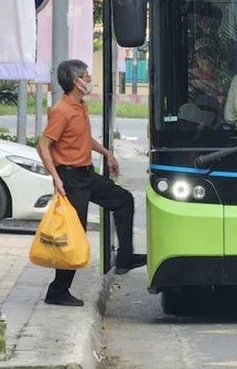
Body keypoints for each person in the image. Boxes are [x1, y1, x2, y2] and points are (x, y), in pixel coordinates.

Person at [37, 59, 146, 307]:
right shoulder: (61, 111)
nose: (89, 79)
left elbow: (84, 139)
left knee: (123, 200)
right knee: (74, 233)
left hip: (86, 174)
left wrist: (107, 153)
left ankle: (125, 258)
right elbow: (43, 145)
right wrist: (55, 178)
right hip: (70, 178)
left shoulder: (80, 106)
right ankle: (57, 291)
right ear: (76, 82)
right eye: (86, 76)